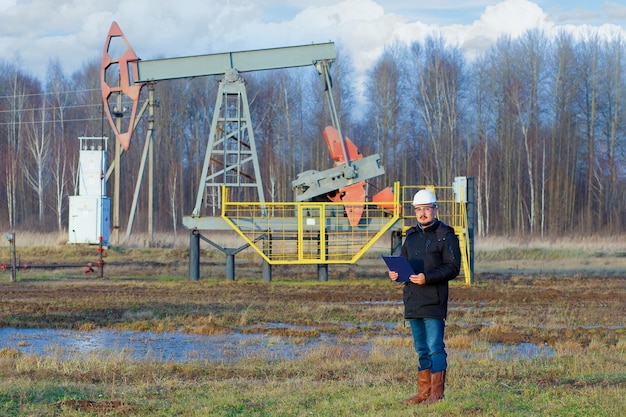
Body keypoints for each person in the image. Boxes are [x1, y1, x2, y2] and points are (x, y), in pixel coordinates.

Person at [388, 189, 461, 405]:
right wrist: (396, 274)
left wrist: (426, 278)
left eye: (426, 209)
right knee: (421, 349)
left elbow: (453, 268)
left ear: (435, 209)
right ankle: (423, 393)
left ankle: (436, 395)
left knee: (435, 346)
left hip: (434, 300)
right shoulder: (410, 237)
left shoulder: (446, 235)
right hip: (413, 300)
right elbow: (404, 263)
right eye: (418, 210)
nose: (422, 214)